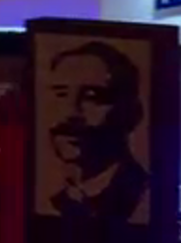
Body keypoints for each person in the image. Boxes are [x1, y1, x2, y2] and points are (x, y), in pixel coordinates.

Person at [45, 41, 149, 224]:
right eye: (61, 94)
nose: (70, 113)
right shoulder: (53, 201)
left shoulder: (145, 197)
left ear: (132, 113)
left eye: (92, 97)